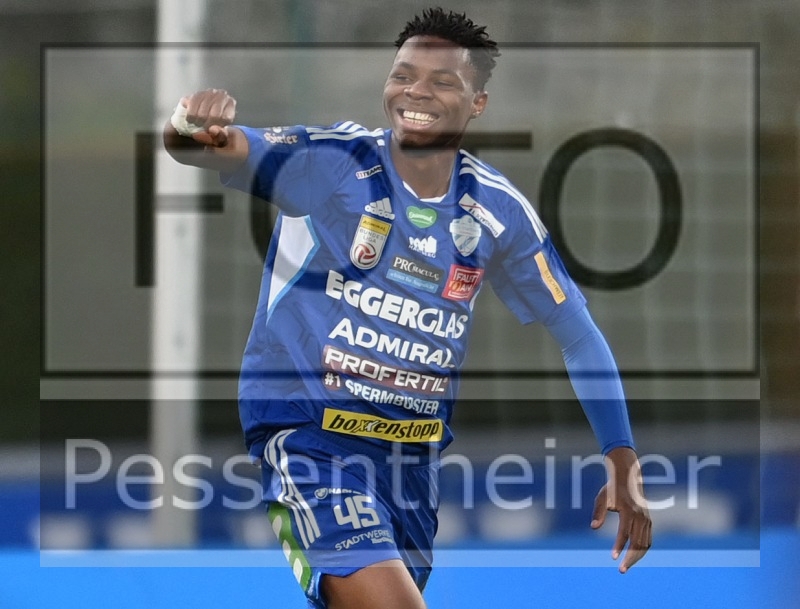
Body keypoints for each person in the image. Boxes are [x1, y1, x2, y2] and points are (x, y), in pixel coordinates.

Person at [164, 7, 652, 609]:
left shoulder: (497, 210)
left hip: (412, 463)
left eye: (442, 81)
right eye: (402, 75)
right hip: (312, 440)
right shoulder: (334, 161)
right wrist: (189, 126)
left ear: (477, 103)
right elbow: (213, 147)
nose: (416, 92)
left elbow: (577, 335)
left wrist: (621, 457)